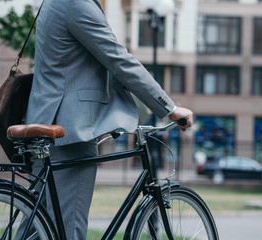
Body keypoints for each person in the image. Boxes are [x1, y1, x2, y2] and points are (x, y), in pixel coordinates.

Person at [25, 0, 193, 239]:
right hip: (70, 130)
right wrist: (170, 108)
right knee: (68, 227)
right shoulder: (76, 3)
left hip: (45, 123)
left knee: (38, 223)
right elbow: (118, 58)